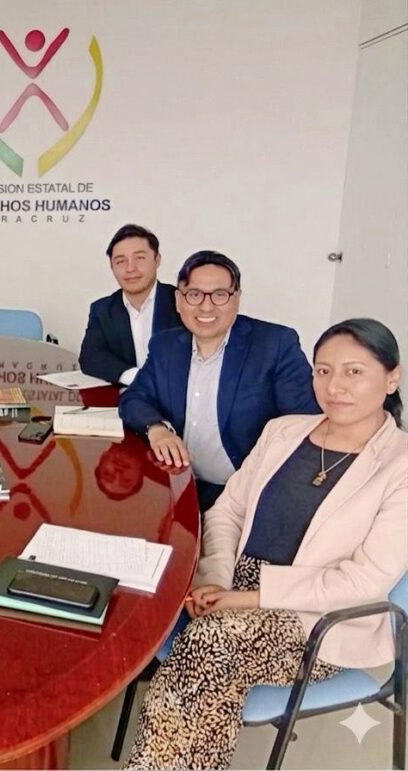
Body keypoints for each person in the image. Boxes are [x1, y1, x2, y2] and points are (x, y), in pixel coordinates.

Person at [126, 318, 407, 769]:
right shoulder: (284, 431)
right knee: (141, 598)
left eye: (354, 372)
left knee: (208, 644)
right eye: (323, 371)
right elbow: (227, 512)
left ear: (392, 378)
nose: (335, 386)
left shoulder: (399, 464)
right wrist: (215, 579)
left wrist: (243, 599)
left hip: (316, 616)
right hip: (231, 585)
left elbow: (363, 581)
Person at [119, 250, 319, 512]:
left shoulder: (273, 344)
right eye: (194, 294)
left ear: (237, 299)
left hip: (243, 496)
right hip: (178, 485)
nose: (206, 306)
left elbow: (305, 422)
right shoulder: (166, 345)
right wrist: (156, 428)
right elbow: (134, 398)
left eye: (220, 294)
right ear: (178, 300)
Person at [79, 224, 183, 385]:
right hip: (129, 394)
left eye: (139, 258)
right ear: (112, 267)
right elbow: (91, 357)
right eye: (120, 261)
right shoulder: (103, 309)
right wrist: (135, 377)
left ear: (157, 260)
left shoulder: (182, 302)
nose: (130, 268)